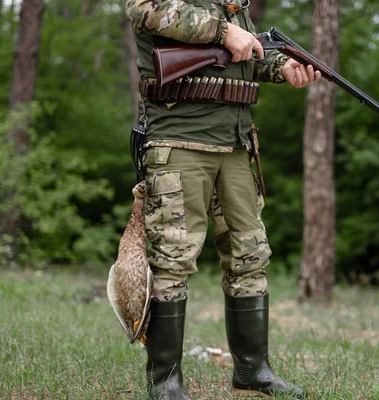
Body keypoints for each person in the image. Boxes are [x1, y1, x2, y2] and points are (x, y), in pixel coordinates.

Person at [124, 1, 321, 399]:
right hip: (179, 139)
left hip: (235, 143)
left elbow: (241, 61)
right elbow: (144, 11)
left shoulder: (234, 6)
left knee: (249, 254)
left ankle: (253, 371)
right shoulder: (210, 14)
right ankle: (164, 381)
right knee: (174, 258)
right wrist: (223, 32)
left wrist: (282, 68)